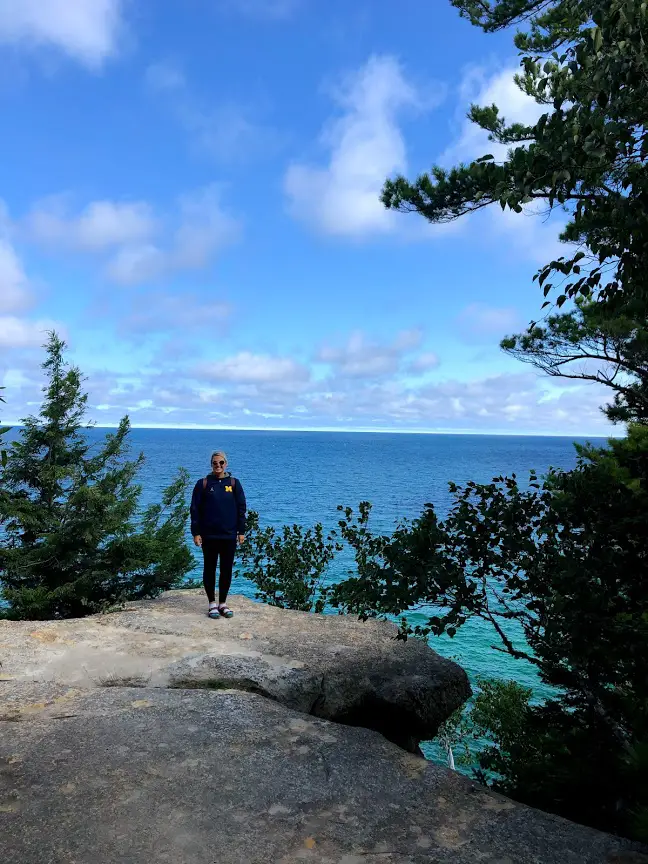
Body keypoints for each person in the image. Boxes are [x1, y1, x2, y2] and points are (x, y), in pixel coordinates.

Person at [190, 450, 246, 619]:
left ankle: (223, 603)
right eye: (215, 463)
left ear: (226, 464)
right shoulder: (203, 484)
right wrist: (196, 532)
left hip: (229, 535)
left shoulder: (234, 484)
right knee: (209, 569)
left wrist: (241, 531)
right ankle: (211, 604)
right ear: (211, 464)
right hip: (209, 535)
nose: (218, 466)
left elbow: (241, 508)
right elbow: (195, 509)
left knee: (226, 570)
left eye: (221, 463)